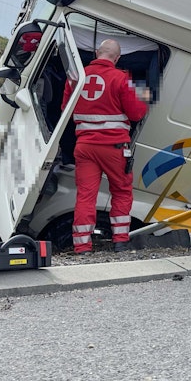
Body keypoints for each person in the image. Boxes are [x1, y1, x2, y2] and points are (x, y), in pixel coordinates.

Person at [62, 39, 150, 254]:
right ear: (117, 58)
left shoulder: (76, 77)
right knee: (121, 192)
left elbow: (66, 110)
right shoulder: (122, 78)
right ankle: (120, 242)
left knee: (85, 196)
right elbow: (136, 113)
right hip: (114, 148)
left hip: (85, 147)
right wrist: (143, 96)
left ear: (96, 52)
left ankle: (82, 246)